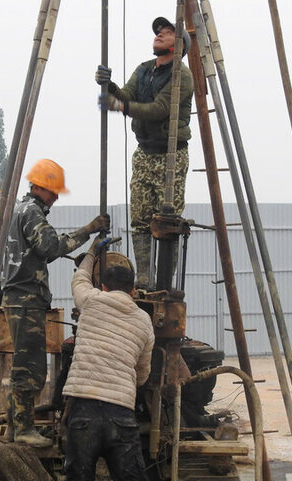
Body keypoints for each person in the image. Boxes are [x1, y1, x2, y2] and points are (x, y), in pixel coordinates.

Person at [59, 240, 156, 481]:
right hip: (121, 416)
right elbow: (143, 375)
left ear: (103, 286)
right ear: (133, 291)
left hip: (82, 413)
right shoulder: (144, 322)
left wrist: (89, 255)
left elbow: (78, 281)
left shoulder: (92, 301)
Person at [1, 159, 109, 447]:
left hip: (21, 298)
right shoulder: (32, 212)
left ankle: (16, 427)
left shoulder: (22, 211)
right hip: (25, 299)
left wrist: (73, 253)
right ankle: (23, 430)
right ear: (39, 187)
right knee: (30, 368)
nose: (57, 197)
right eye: (53, 191)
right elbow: (49, 247)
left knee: (27, 366)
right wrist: (88, 231)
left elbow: (39, 251)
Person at [96, 16, 194, 287]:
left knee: (167, 222)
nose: (159, 34)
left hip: (170, 156)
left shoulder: (181, 77)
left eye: (168, 32)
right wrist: (109, 85)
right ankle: (143, 278)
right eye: (159, 31)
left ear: (180, 45)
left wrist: (121, 107)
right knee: (140, 219)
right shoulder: (144, 69)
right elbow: (127, 94)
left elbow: (158, 110)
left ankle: (163, 282)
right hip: (144, 153)